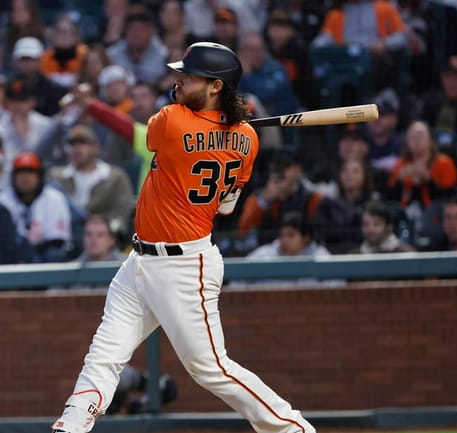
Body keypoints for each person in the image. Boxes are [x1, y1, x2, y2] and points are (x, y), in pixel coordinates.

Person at [51, 42, 315, 433]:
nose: (179, 80)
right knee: (105, 353)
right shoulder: (249, 140)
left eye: (189, 76)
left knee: (210, 367)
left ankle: (293, 428)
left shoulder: (171, 120)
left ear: (214, 87)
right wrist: (226, 134)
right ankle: (71, 425)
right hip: (140, 259)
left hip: (183, 265)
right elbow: (226, 207)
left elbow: (165, 137)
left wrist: (210, 133)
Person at [48, 125, 135, 231]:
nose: (77, 148)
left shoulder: (114, 177)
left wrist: (103, 228)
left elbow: (121, 213)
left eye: (83, 143)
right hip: (64, 232)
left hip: (102, 236)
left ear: (96, 149)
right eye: (72, 144)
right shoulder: (56, 177)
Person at [0, 152, 72, 263]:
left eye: (30, 173)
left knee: (54, 255)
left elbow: (57, 241)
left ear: (39, 176)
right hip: (13, 255)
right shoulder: (3, 199)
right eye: (21, 173)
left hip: (46, 255)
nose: (25, 178)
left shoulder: (54, 198)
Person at [348, 200, 416, 254]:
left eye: (376, 224)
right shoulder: (354, 256)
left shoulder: (406, 254)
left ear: (389, 227)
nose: (370, 229)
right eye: (366, 224)